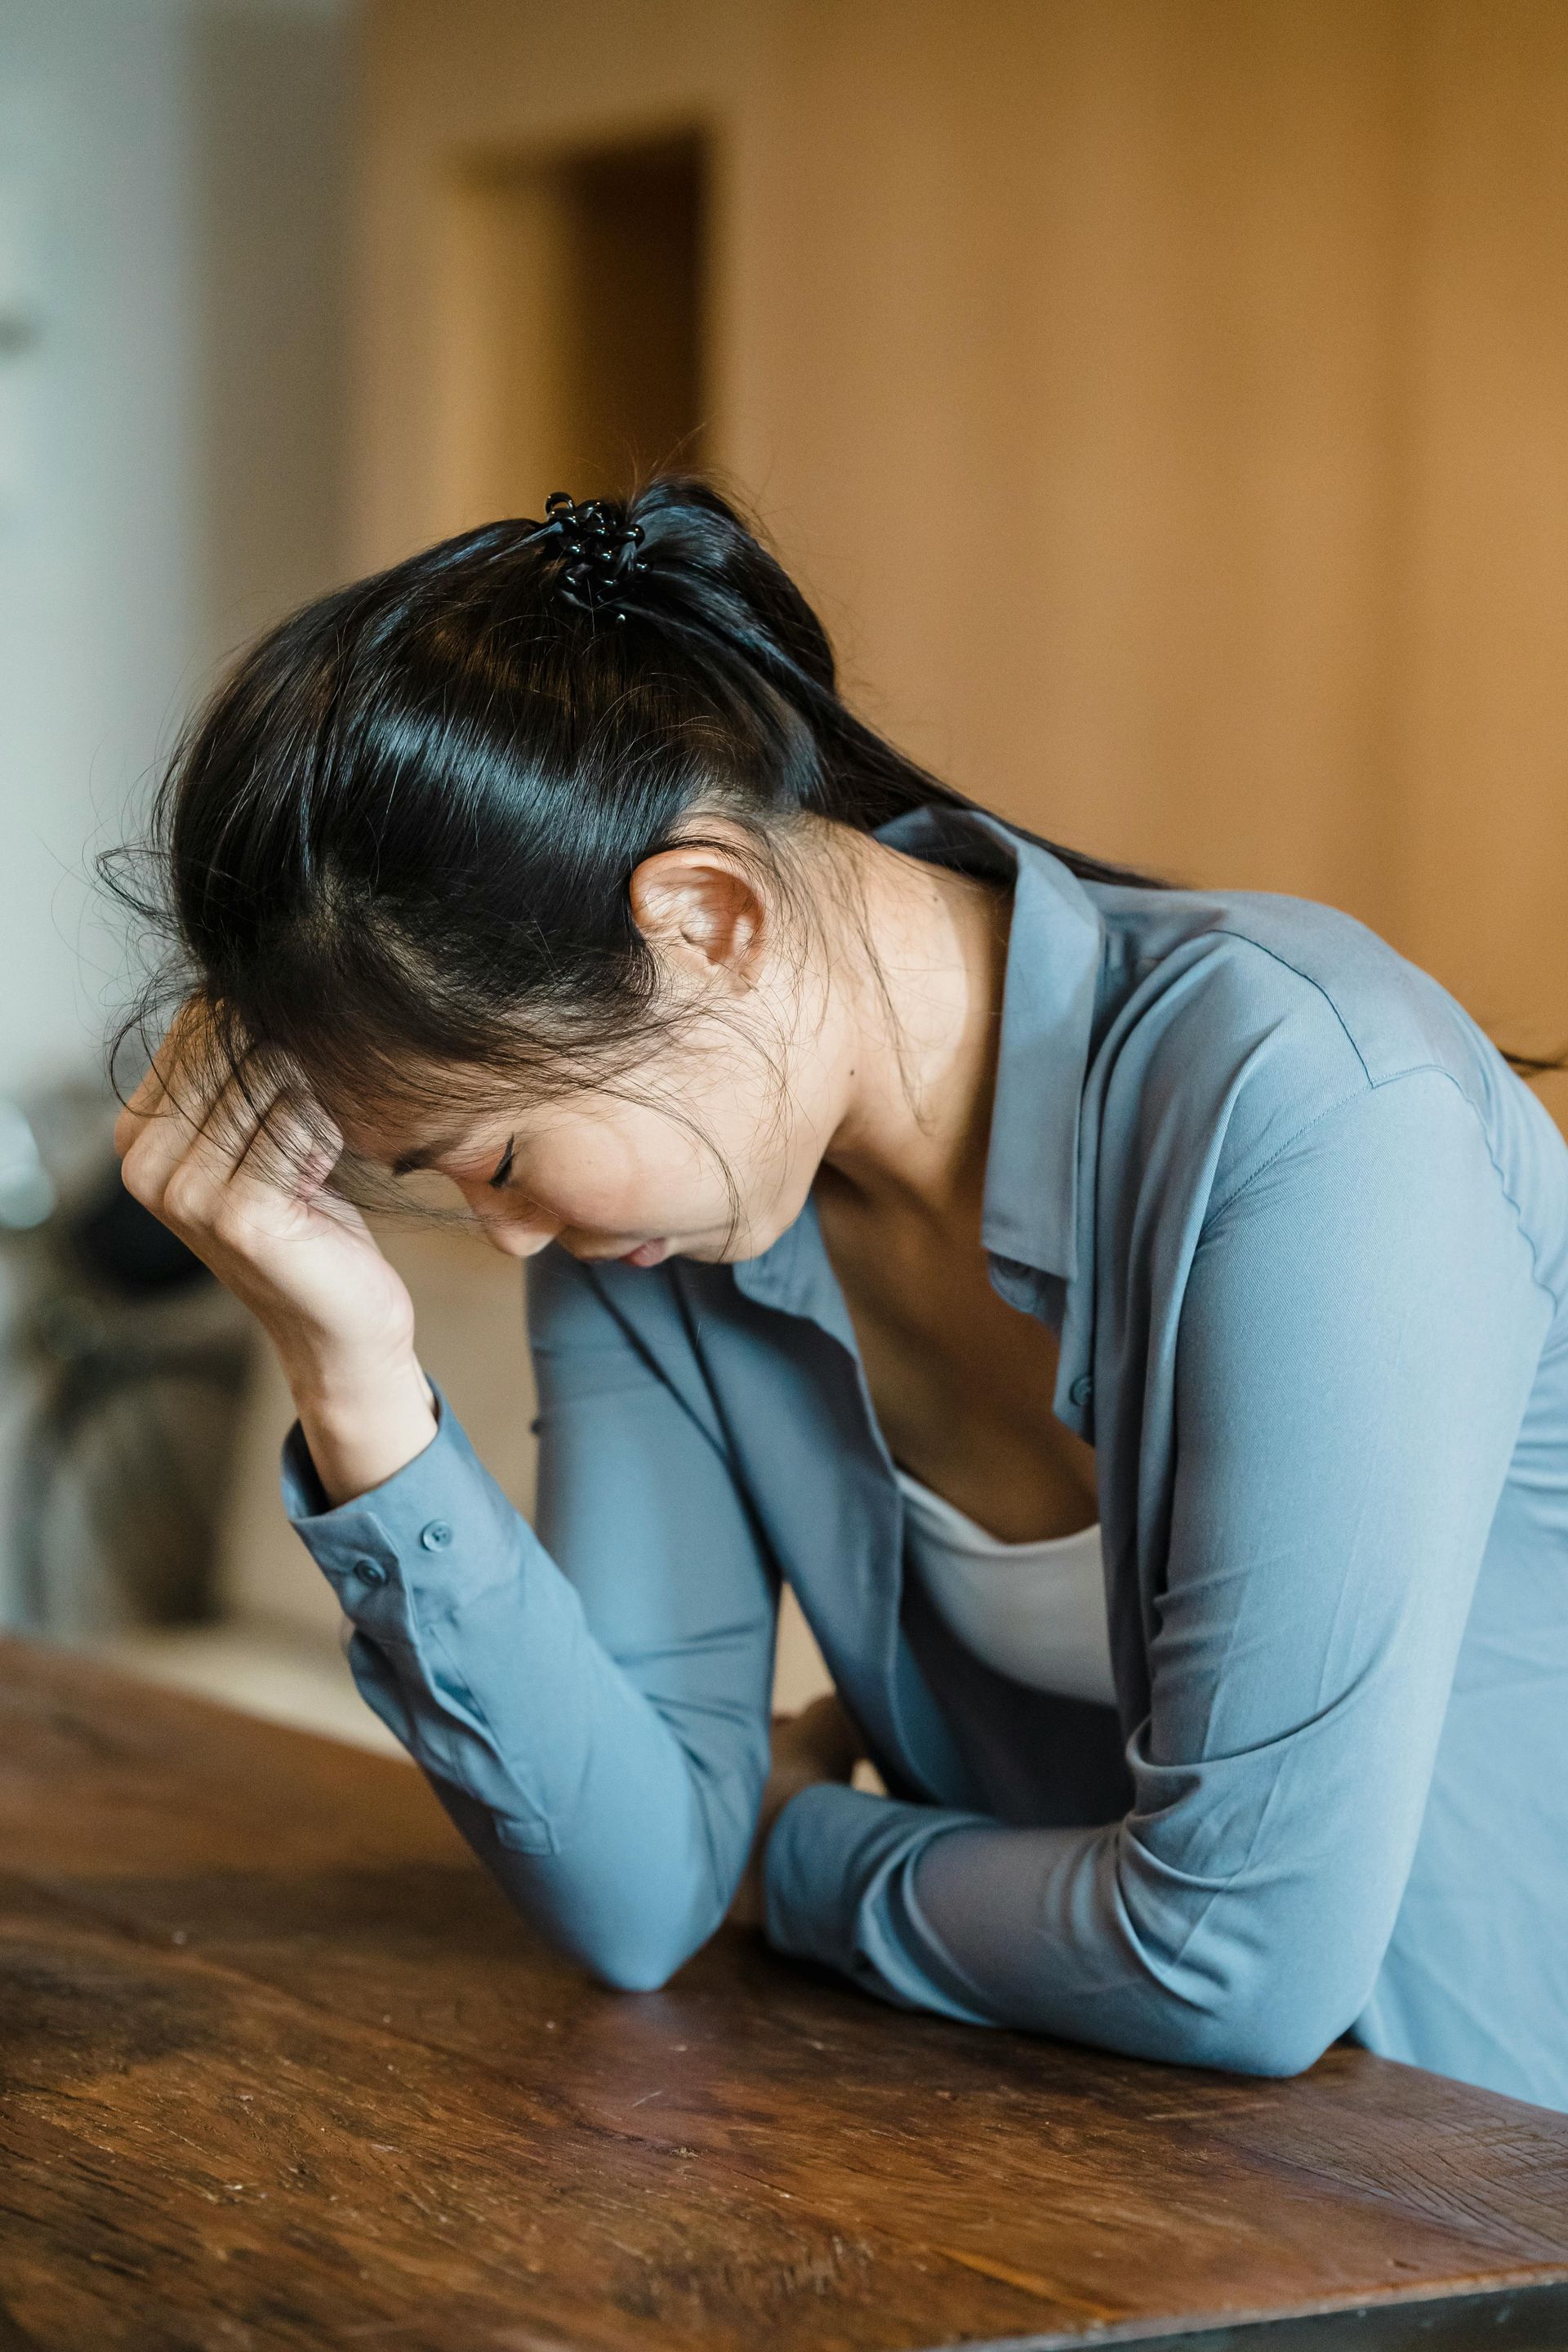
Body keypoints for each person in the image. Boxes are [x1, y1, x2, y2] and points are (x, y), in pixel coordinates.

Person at [112, 479, 1568, 2111]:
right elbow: (644, 1893)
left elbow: (1237, 1963)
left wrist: (799, 1847)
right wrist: (351, 1374)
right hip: (1099, 2174)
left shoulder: (1310, 1114)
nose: (507, 1235)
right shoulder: (685, 1216)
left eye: (500, 1155)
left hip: (1485, 2193)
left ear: (707, 918)